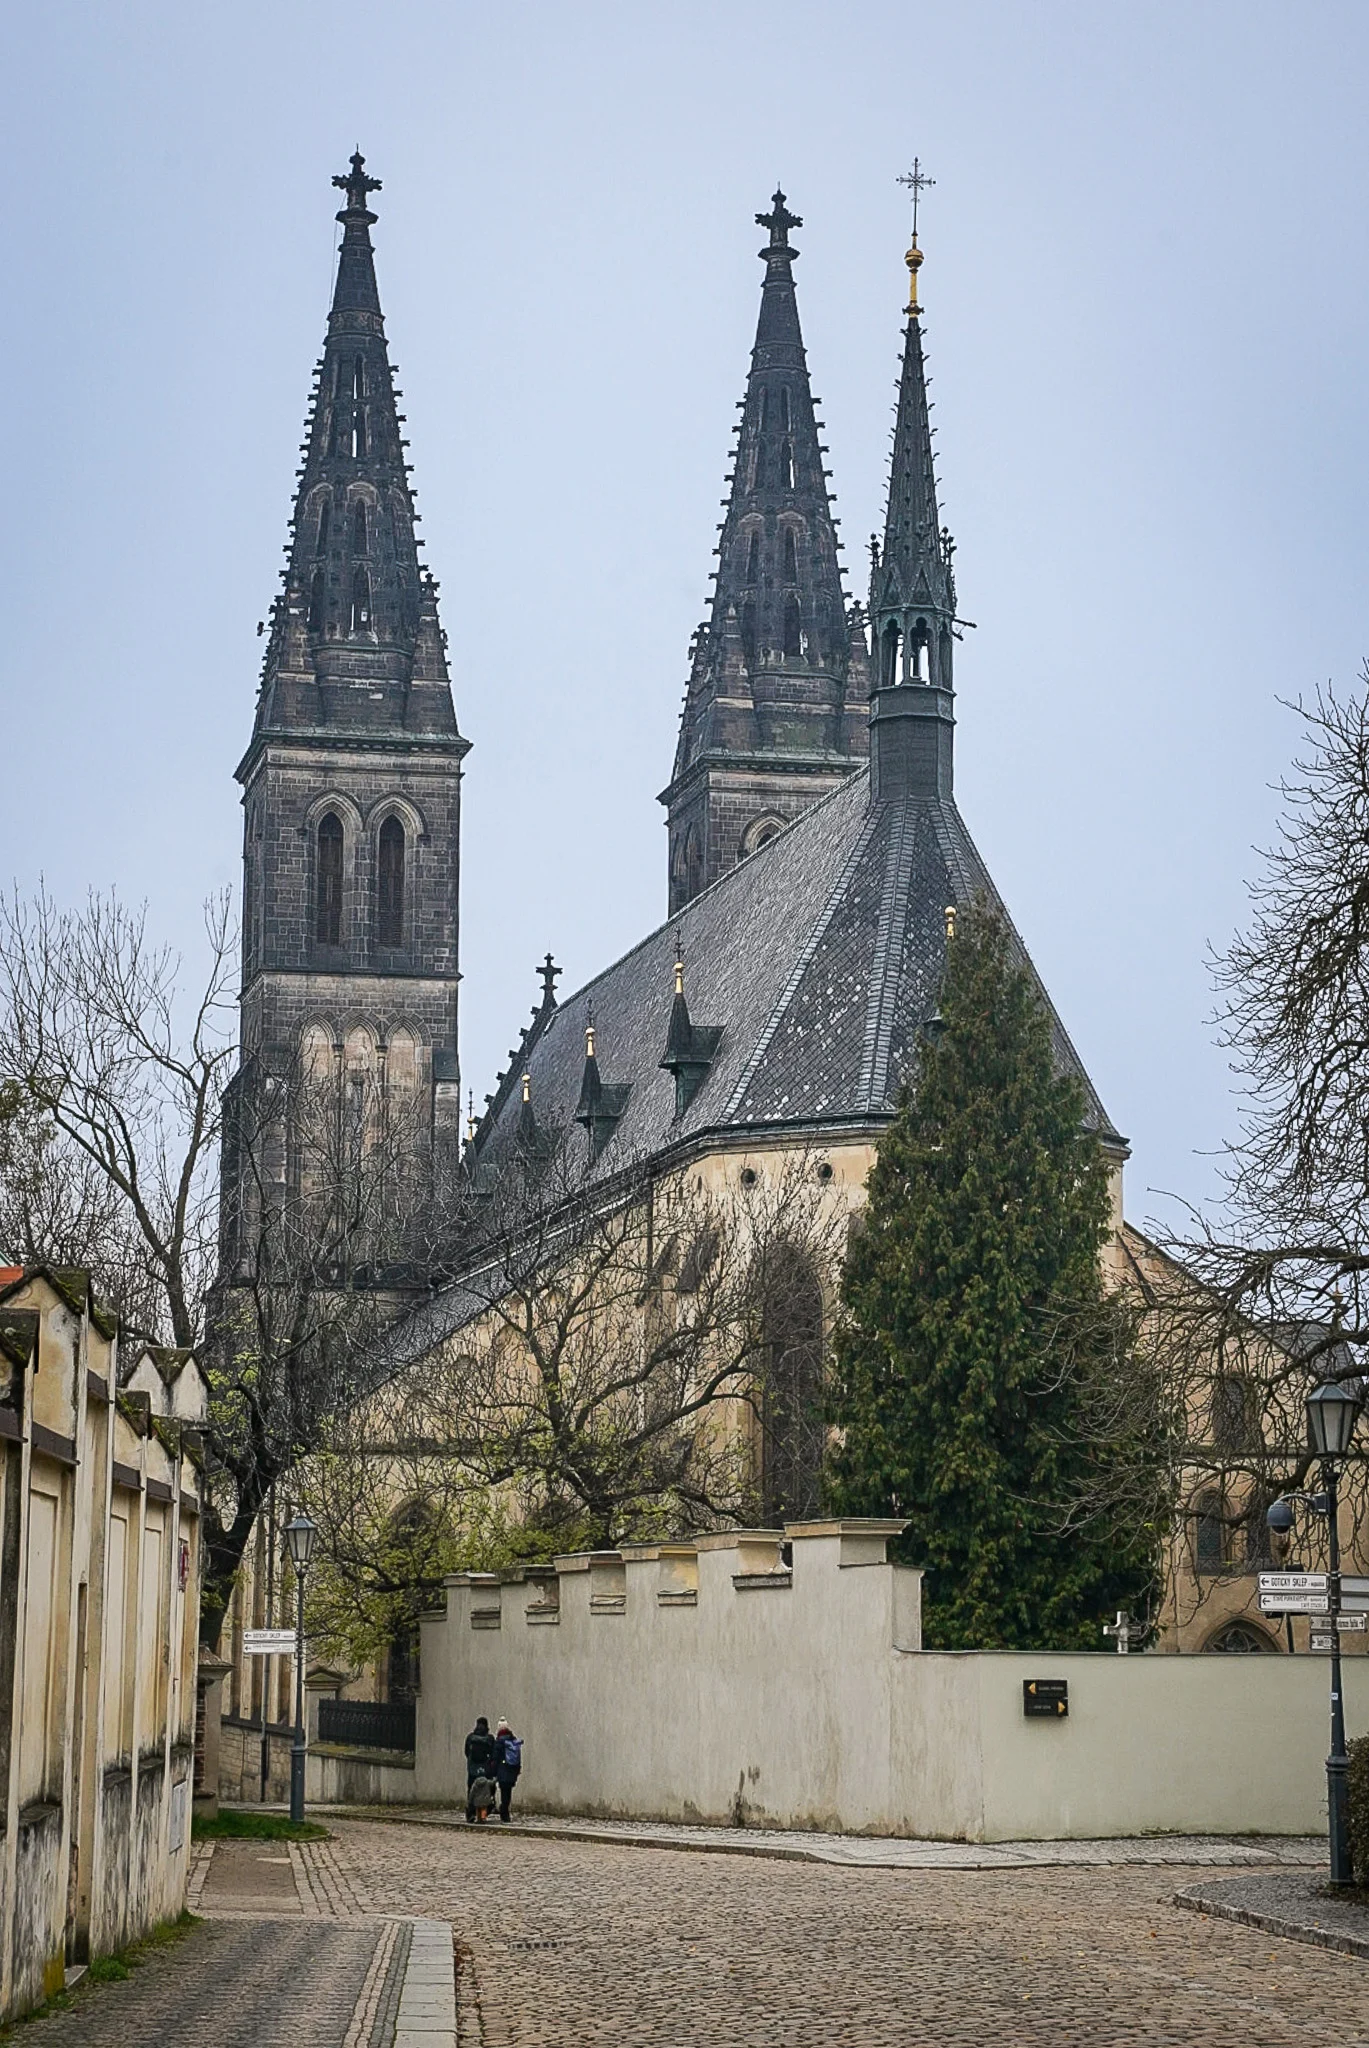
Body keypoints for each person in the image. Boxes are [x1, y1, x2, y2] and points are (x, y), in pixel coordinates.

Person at [465, 1715, 497, 1823]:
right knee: (487, 1791)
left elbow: (466, 1752)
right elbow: (494, 1754)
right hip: (485, 1769)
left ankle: (471, 1813)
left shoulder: (470, 1737)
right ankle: (484, 1813)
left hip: (472, 1769)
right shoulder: (490, 1738)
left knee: (472, 1791)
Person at [492, 1717, 523, 1823]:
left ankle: (504, 1812)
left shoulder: (499, 1742)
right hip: (512, 1770)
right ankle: (505, 1811)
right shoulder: (513, 1741)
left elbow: (495, 1758)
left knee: (503, 1791)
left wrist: (493, 1771)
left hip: (502, 1770)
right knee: (508, 1792)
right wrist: (518, 1769)